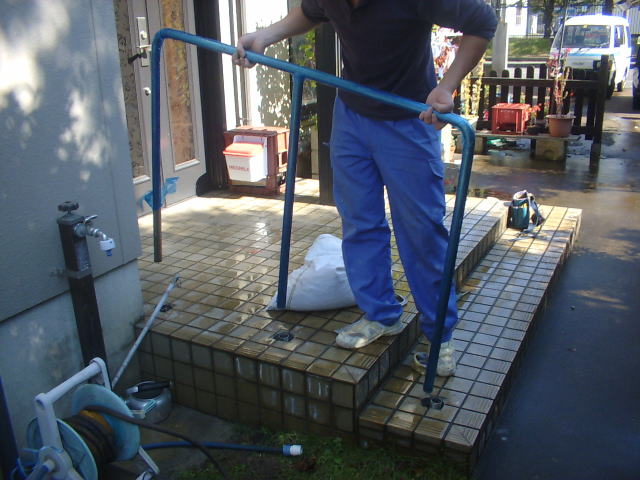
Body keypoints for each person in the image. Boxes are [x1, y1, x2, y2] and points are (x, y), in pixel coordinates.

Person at [234, 0, 497, 377]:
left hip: (409, 118)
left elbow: (482, 22)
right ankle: (381, 313)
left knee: (422, 232)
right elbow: (309, 13)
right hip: (352, 116)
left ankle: (440, 336)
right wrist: (266, 35)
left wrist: (446, 86)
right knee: (360, 223)